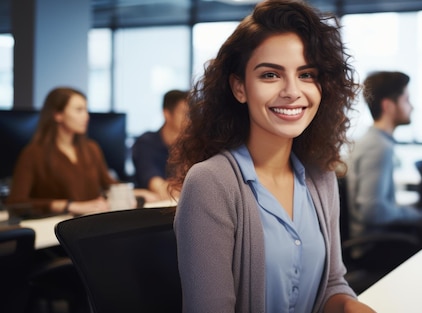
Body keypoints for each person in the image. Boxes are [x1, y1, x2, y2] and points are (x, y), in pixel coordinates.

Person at [168, 1, 376, 312]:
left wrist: (350, 306)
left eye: (306, 74)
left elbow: (332, 284)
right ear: (240, 87)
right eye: (270, 75)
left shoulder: (321, 177)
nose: (293, 91)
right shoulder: (212, 183)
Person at [6, 87, 157, 218]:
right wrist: (70, 206)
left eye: (85, 109)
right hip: (58, 229)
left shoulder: (91, 148)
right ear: (57, 115)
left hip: (90, 224)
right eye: (79, 110)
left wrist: (141, 194)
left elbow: (109, 185)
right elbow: (17, 203)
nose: (86, 116)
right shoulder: (33, 153)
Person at [345, 71, 422, 257]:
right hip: (373, 247)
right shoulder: (378, 147)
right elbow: (373, 212)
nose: (412, 107)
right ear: (388, 106)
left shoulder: (374, 141)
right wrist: (416, 216)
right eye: (406, 100)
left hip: (379, 239)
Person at [132, 89, 188, 201]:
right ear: (167, 114)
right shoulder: (146, 143)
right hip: (153, 211)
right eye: (184, 113)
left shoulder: (192, 145)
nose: (189, 118)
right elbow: (155, 184)